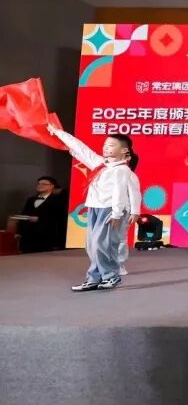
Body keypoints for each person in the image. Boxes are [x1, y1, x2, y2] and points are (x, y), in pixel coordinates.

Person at [47, 125, 138, 291]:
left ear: (124, 150)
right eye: (105, 144)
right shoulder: (99, 163)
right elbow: (80, 148)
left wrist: (117, 213)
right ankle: (94, 278)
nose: (106, 147)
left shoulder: (122, 170)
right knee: (91, 245)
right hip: (94, 208)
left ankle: (111, 276)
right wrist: (59, 132)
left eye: (111, 145)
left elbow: (120, 192)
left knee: (102, 244)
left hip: (110, 210)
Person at [14, 176, 68, 253]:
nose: (40, 185)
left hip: (46, 236)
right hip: (28, 236)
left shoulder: (58, 200)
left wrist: (40, 219)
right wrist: (19, 232)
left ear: (52, 186)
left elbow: (59, 217)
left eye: (44, 184)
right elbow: (24, 214)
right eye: (39, 184)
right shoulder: (31, 199)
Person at [115, 150, 142, 277]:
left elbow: (135, 194)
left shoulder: (130, 175)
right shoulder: (110, 172)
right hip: (105, 209)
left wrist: (135, 211)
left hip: (123, 211)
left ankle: (119, 264)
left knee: (120, 238)